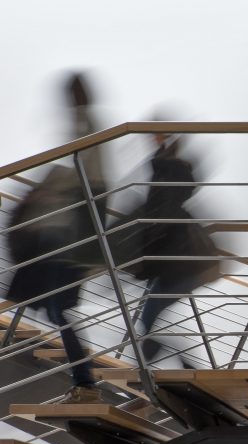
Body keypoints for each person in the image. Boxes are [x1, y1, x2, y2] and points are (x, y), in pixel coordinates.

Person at [5, 73, 108, 403]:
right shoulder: (86, 124)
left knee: (55, 308)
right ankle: (84, 378)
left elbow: (87, 174)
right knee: (51, 307)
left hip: (69, 239)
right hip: (68, 238)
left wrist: (47, 188)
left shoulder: (87, 125)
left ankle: (86, 381)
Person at [112, 132, 220, 363]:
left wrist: (164, 150)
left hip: (182, 266)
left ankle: (166, 367)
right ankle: (166, 366)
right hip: (177, 265)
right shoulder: (167, 184)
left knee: (149, 318)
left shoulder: (168, 184)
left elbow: (161, 217)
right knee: (148, 319)